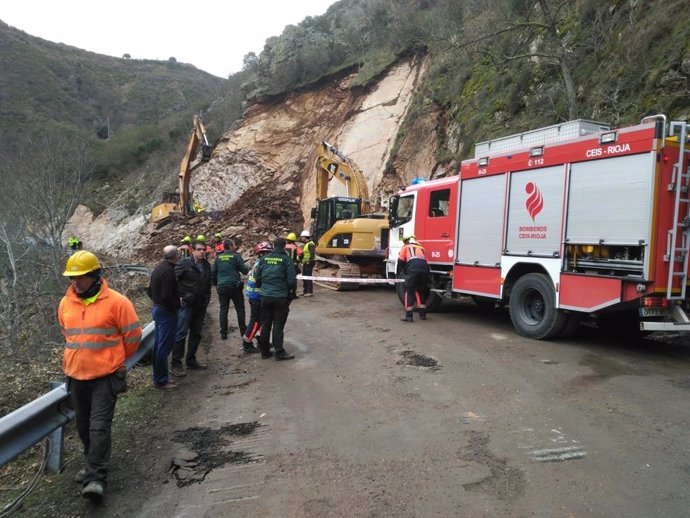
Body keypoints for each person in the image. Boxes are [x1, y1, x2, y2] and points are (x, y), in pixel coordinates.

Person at [58, 251, 142, 501]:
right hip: (76, 376)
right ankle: (92, 462)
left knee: (99, 427)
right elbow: (67, 334)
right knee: (83, 427)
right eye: (72, 278)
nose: (75, 282)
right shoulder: (65, 304)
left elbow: (133, 337)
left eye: (81, 277)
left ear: (95, 276)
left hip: (105, 377)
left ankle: (95, 478)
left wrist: (113, 361)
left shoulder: (117, 302)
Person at [172, 239, 212, 374]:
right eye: (199, 249)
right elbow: (173, 280)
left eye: (203, 250)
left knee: (196, 333)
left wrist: (206, 299)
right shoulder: (184, 263)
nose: (202, 252)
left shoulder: (206, 265)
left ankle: (191, 360)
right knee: (181, 334)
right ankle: (176, 364)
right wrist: (181, 296)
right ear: (193, 250)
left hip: (200, 304)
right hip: (186, 304)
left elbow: (208, 284)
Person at [254, 237, 296, 360]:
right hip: (280, 297)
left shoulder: (263, 259)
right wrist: (290, 293)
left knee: (266, 324)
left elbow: (257, 277)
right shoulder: (286, 260)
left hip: (265, 297)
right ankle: (279, 352)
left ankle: (265, 352)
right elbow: (292, 280)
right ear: (284, 247)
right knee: (278, 325)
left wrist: (263, 289)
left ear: (273, 246)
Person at [147, 245, 181, 389]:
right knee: (164, 347)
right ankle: (161, 380)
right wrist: (175, 305)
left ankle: (160, 378)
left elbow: (149, 290)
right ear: (176, 256)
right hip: (166, 312)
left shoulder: (159, 268)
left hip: (158, 309)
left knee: (159, 346)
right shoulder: (168, 271)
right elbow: (167, 295)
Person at [212, 239, 249, 341]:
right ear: (231, 246)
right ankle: (243, 332)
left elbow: (213, 273)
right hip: (234, 287)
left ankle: (223, 333)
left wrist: (217, 284)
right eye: (234, 245)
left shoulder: (218, 258)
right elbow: (245, 271)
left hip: (222, 287)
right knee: (240, 309)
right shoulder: (236, 256)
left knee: (223, 309)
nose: (235, 247)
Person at [241, 242, 272, 354]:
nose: (269, 256)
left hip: (255, 296)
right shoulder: (261, 265)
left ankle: (261, 340)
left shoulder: (259, 263)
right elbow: (261, 282)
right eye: (267, 253)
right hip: (257, 297)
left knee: (261, 320)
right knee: (255, 321)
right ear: (261, 254)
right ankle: (247, 343)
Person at [398, 235, 430, 322]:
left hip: (412, 271)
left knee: (409, 292)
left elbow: (400, 260)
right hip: (424, 270)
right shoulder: (422, 248)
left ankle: (409, 316)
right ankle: (423, 315)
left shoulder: (405, 247)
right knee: (421, 292)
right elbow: (426, 262)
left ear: (407, 241)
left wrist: (405, 271)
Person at [299, 230, 316, 297]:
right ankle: (305, 291)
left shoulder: (311, 244)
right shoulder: (306, 244)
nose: (301, 238)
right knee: (304, 277)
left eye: (302, 237)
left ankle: (309, 291)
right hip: (305, 263)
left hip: (309, 263)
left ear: (305, 237)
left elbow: (312, 255)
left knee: (308, 277)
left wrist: (309, 261)